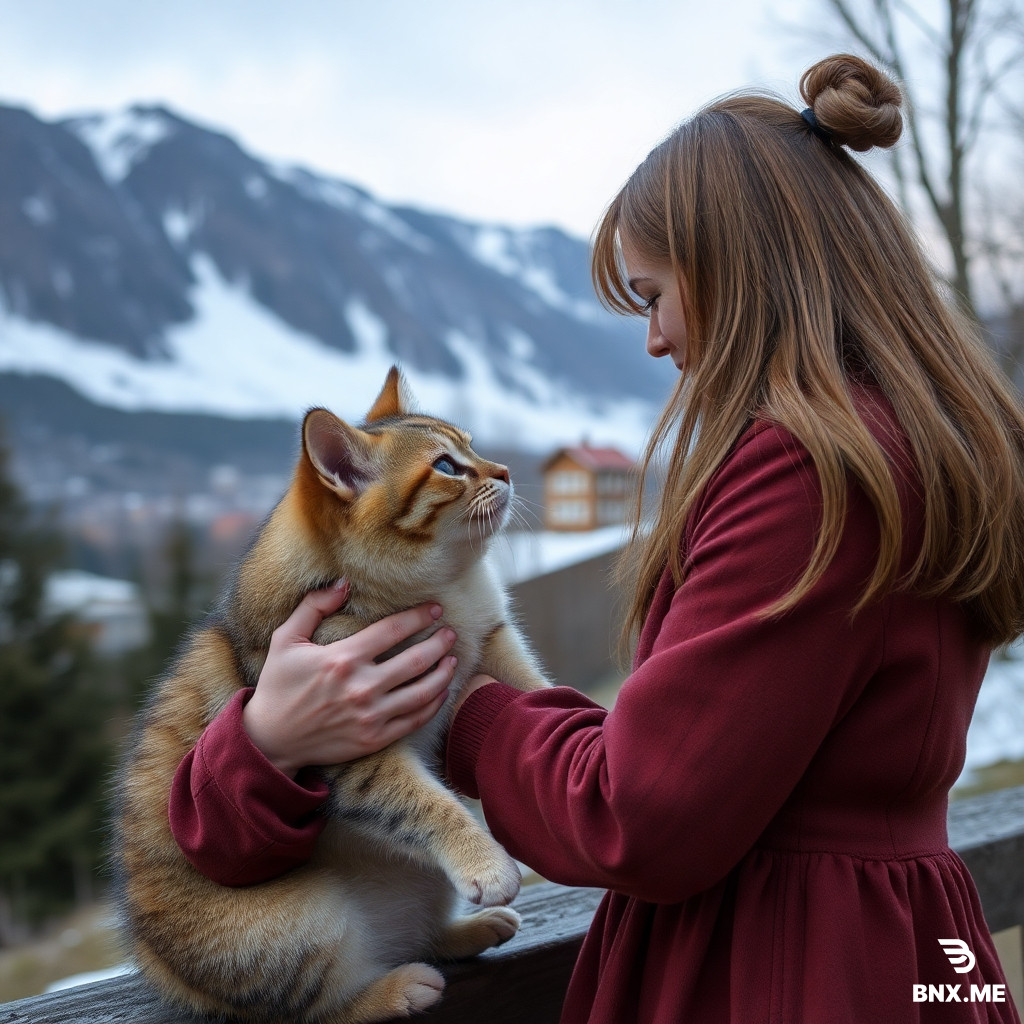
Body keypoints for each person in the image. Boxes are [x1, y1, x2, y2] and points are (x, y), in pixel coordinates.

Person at [167, 54, 1024, 1023]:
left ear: (740, 270)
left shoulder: (810, 474)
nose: (654, 339)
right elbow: (701, 751)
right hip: (913, 939)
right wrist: (278, 745)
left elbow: (639, 811)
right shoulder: (920, 445)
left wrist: (468, 712)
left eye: (653, 294)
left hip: (783, 964)